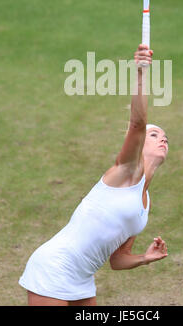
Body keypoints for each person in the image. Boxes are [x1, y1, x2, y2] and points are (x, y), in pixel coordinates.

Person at [18, 44, 169, 306]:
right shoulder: (125, 173)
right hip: (54, 266)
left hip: (82, 280)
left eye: (165, 137)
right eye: (154, 135)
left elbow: (118, 260)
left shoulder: (145, 202)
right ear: (138, 143)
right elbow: (137, 123)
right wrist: (142, 74)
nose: (163, 139)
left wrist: (145, 258)